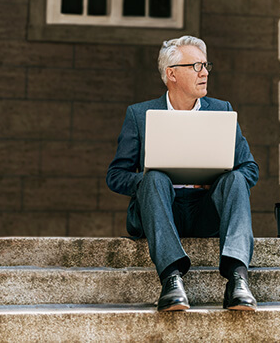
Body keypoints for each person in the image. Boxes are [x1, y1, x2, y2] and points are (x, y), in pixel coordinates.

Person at [106, 36, 259, 312]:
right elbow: (116, 175)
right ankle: (171, 280)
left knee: (235, 177)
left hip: (205, 213)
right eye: (196, 66)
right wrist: (150, 182)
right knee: (153, 178)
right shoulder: (139, 115)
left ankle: (238, 279)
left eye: (206, 65)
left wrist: (214, 181)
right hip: (161, 211)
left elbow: (251, 169)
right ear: (171, 74)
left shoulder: (221, 110)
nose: (205, 72)